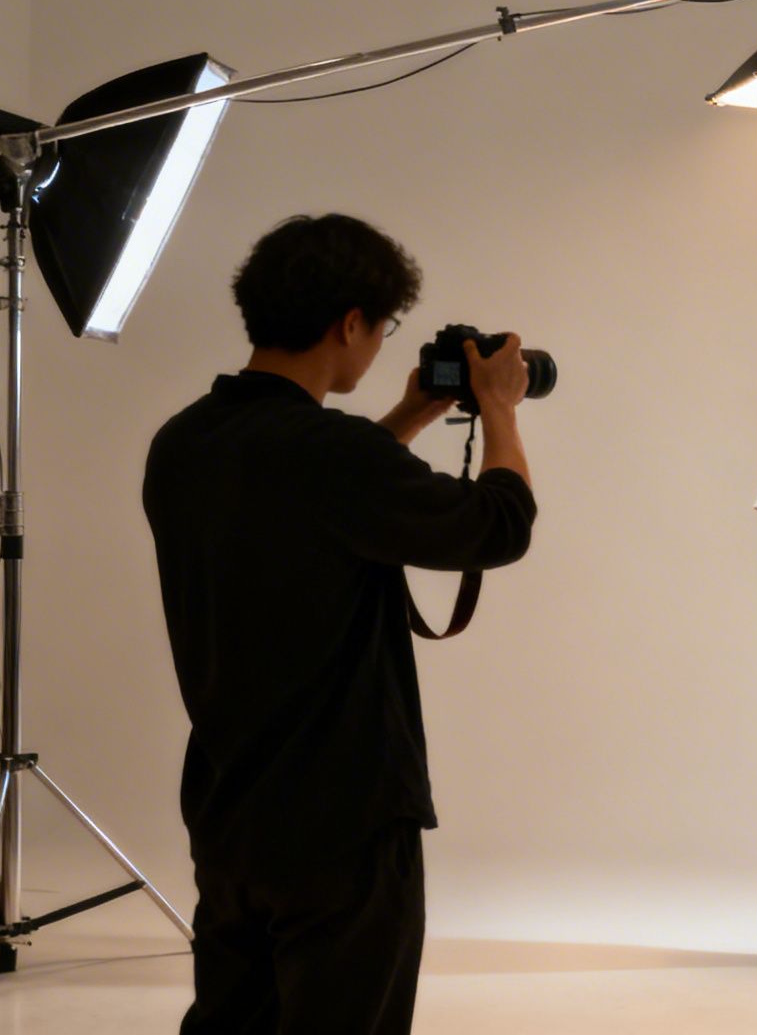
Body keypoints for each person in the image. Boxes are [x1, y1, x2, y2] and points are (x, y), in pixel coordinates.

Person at [143, 213, 536, 1034]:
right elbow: (500, 525)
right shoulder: (337, 457)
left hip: (230, 809)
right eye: (383, 327)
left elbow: (308, 513)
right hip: (344, 818)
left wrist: (408, 420)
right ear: (350, 322)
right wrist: (498, 408)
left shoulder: (182, 443)